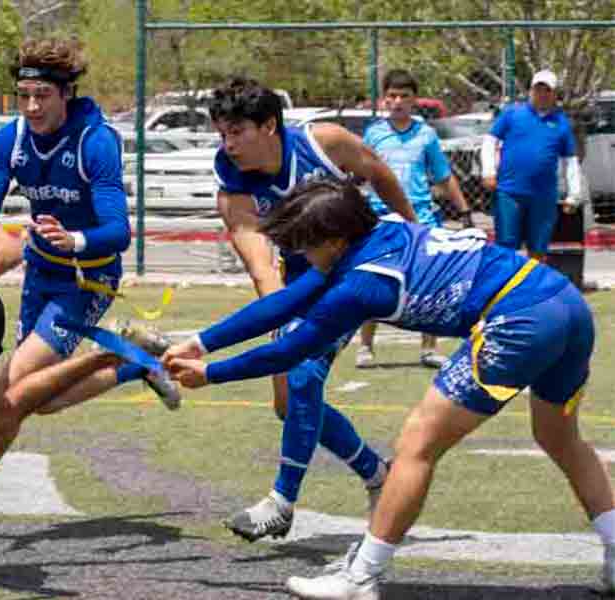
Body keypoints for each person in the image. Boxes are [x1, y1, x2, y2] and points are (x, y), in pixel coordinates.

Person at [164, 179, 614, 599]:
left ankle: (362, 576)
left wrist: (211, 374)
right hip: (564, 302)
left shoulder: (361, 284)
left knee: (416, 444)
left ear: (336, 241)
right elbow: (287, 301)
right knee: (560, 437)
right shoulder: (378, 228)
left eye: (305, 245)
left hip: (517, 318)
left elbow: (288, 351)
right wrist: (201, 342)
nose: (301, 254)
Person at [0, 37, 178, 540]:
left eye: (42, 96)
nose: (31, 106)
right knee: (39, 401)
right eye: (24, 94)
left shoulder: (94, 140)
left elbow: (119, 231)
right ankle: (132, 360)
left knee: (13, 390)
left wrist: (73, 239)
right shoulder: (9, 139)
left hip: (87, 279)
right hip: (39, 274)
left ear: (66, 94)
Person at [206, 77, 417, 542]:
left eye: (237, 131)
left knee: (302, 372)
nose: (229, 143)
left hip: (360, 269)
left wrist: (413, 226)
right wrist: (281, 322)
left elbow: (378, 172)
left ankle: (281, 502)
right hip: (303, 281)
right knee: (289, 404)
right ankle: (378, 474)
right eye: (222, 133)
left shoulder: (324, 142)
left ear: (269, 126)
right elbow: (262, 268)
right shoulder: (233, 187)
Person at [357, 69, 472, 370]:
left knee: (431, 280)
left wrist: (464, 212)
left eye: (404, 96)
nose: (397, 101)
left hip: (420, 217)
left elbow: (444, 176)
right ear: (384, 100)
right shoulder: (372, 133)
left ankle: (429, 348)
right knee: (372, 277)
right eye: (392, 96)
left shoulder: (426, 134)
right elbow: (358, 173)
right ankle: (366, 347)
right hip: (380, 217)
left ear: (414, 100)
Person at [482, 69, 583, 261]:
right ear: (531, 90)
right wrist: (488, 171)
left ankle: (533, 288)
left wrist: (573, 195)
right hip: (509, 191)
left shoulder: (561, 123)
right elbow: (490, 140)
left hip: (543, 196)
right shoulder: (512, 114)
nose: (542, 94)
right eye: (538, 89)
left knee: (538, 248)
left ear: (554, 94)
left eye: (547, 90)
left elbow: (570, 160)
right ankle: (504, 288)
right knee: (506, 245)